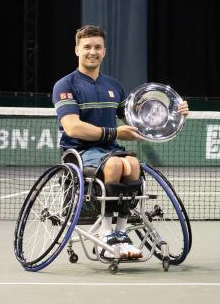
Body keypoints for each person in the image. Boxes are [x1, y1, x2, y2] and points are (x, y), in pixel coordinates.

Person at [52, 25, 189, 260]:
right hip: (80, 151)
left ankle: (121, 234)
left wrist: (175, 113)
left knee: (133, 166)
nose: (92, 52)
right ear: (77, 50)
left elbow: (141, 121)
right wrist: (114, 134)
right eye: (87, 47)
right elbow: (73, 126)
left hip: (110, 150)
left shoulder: (113, 86)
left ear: (104, 51)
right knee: (116, 165)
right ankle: (107, 235)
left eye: (97, 47)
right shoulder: (65, 85)